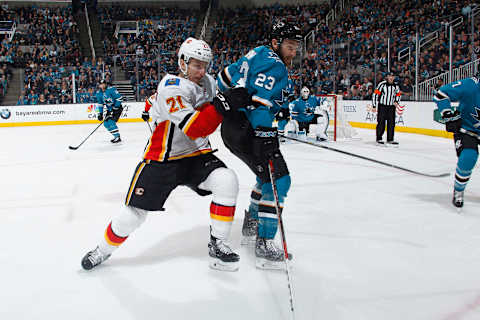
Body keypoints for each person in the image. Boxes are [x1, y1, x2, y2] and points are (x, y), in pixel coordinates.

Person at [81, 37, 250, 272]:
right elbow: (196, 127)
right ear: (182, 62)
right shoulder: (170, 86)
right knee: (134, 215)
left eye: (205, 65)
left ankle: (218, 243)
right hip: (163, 158)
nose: (202, 71)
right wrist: (224, 104)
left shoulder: (209, 82)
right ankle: (102, 250)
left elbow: (224, 99)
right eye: (196, 65)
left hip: (197, 155)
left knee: (227, 180)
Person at [216, 20, 302, 270]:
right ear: (276, 43)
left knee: (265, 178)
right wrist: (264, 134)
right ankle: (264, 240)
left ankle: (252, 222)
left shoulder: (255, 54)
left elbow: (224, 80)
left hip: (232, 129)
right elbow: (261, 104)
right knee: (280, 180)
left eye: (296, 46)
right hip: (250, 129)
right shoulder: (276, 66)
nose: (293, 51)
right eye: (289, 45)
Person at [433, 72, 480, 209]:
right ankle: (459, 190)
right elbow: (441, 94)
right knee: (468, 157)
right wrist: (447, 113)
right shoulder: (470, 85)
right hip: (467, 130)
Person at [372, 72, 401, 146]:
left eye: (392, 76)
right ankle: (379, 138)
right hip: (382, 106)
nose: (391, 77)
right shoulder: (382, 84)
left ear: (394, 77)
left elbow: (398, 94)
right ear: (387, 77)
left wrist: (397, 101)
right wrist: (374, 105)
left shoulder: (396, 86)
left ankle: (390, 139)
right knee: (381, 122)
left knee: (391, 123)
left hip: (391, 107)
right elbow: (375, 94)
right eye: (389, 76)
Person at [96, 79, 124, 143]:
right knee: (106, 123)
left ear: (106, 84)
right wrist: (100, 113)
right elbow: (100, 104)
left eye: (103, 84)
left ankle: (117, 137)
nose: (102, 85)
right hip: (109, 109)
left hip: (117, 108)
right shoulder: (99, 93)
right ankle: (115, 136)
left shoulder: (111, 89)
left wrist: (115, 107)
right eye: (101, 84)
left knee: (111, 121)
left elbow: (119, 98)